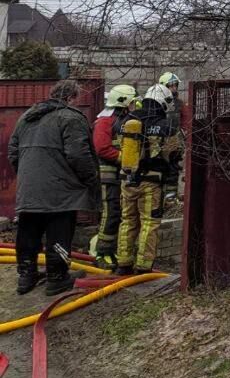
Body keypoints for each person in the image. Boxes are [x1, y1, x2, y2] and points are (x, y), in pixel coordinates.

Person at [8, 79, 98, 296]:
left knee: (28, 231)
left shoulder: (27, 117)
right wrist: (90, 180)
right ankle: (57, 278)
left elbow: (13, 152)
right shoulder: (70, 118)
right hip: (61, 191)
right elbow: (78, 155)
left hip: (29, 188)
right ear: (71, 98)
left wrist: (29, 176)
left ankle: (26, 276)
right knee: (60, 233)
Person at [115, 82, 179, 275]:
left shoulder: (128, 120)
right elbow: (173, 155)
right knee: (149, 223)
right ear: (164, 102)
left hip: (127, 181)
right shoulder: (165, 126)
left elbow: (121, 147)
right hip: (151, 183)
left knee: (127, 220)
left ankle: (123, 264)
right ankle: (143, 267)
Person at [91, 83, 137, 271]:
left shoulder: (125, 119)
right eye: (132, 101)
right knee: (111, 213)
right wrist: (123, 158)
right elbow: (102, 148)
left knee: (122, 214)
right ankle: (102, 253)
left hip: (122, 176)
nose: (135, 105)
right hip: (108, 176)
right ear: (123, 101)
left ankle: (115, 250)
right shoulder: (105, 121)